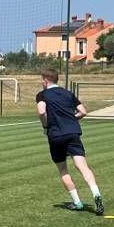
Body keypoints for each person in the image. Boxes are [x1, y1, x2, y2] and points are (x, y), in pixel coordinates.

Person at [36, 69, 102, 214]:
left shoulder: (42, 95)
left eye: (42, 80)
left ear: (46, 80)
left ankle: (77, 202)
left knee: (63, 170)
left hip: (56, 135)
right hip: (73, 133)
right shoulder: (67, 93)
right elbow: (83, 111)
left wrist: (45, 126)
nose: (41, 82)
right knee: (83, 167)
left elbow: (41, 111)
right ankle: (96, 194)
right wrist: (73, 119)